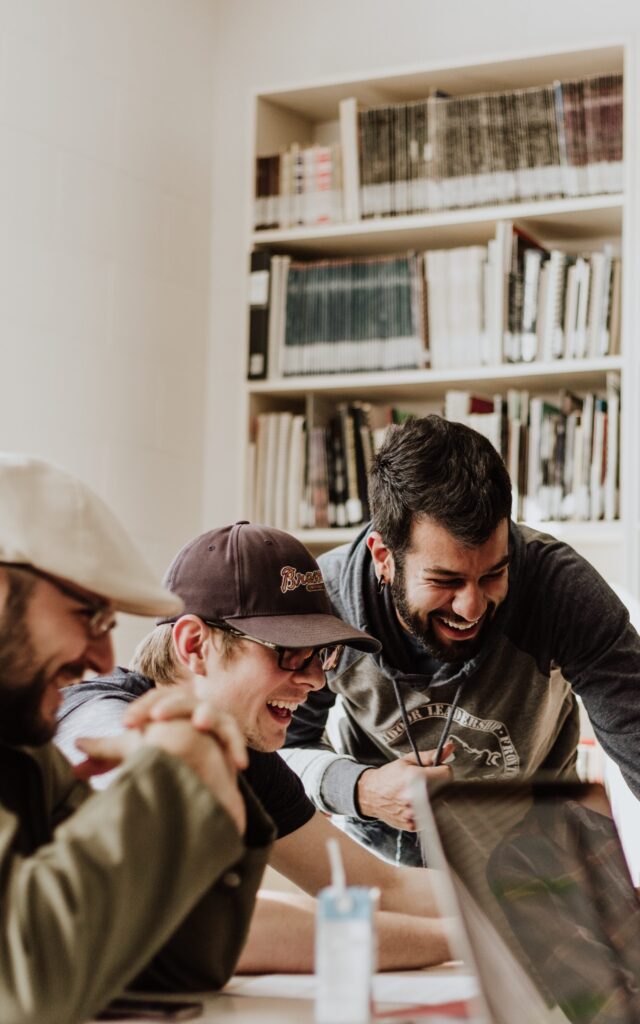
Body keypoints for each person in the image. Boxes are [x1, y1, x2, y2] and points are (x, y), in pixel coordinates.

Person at [56, 521, 453, 972]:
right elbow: (202, 922)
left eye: (320, 656)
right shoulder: (100, 722)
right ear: (194, 645)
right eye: (289, 652)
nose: (316, 680)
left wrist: (520, 906)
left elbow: (377, 886)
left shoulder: (243, 754)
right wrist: (466, 941)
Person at [280, 414, 640, 866]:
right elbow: (282, 749)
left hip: (535, 852)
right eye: (445, 580)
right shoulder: (325, 604)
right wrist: (360, 790)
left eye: (493, 573)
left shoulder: (560, 589)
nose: (471, 607)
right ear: (383, 557)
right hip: (382, 854)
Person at [0, 455, 274, 1024]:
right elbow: (24, 990)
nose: (104, 658)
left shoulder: (27, 762)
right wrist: (175, 777)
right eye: (89, 616)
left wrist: (208, 774)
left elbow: (169, 968)